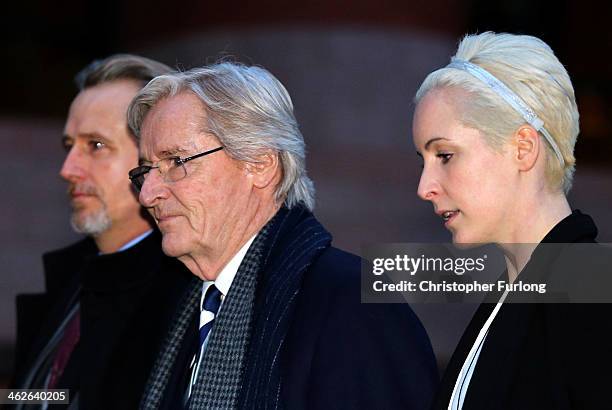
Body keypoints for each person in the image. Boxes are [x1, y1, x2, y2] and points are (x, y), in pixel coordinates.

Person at [126, 61, 438, 410]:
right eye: (146, 170)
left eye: (176, 162)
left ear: (260, 165)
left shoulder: (353, 305)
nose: (147, 193)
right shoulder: (180, 309)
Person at [413, 32, 612, 409]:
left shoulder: (591, 298)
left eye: (445, 155)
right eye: (422, 160)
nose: (425, 187)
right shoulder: (513, 296)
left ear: (522, 148)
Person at [11, 54, 191, 409]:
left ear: (154, 157)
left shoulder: (188, 294)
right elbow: (55, 395)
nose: (67, 169)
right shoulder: (74, 279)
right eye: (68, 146)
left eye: (95, 145)